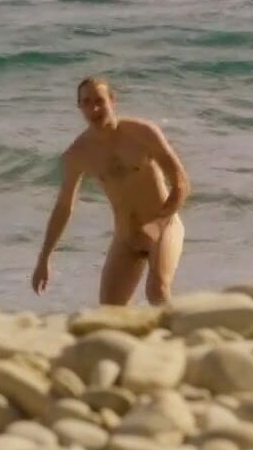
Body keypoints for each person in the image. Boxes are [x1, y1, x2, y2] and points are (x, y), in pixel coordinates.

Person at [32, 76, 190, 305]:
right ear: (79, 107)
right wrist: (44, 258)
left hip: (163, 226)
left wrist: (157, 225)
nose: (94, 109)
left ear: (112, 101)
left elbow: (181, 183)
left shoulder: (143, 133)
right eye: (87, 102)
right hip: (126, 237)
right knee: (109, 309)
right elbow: (64, 207)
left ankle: (179, 327)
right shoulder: (77, 154)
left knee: (157, 291)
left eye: (100, 101)